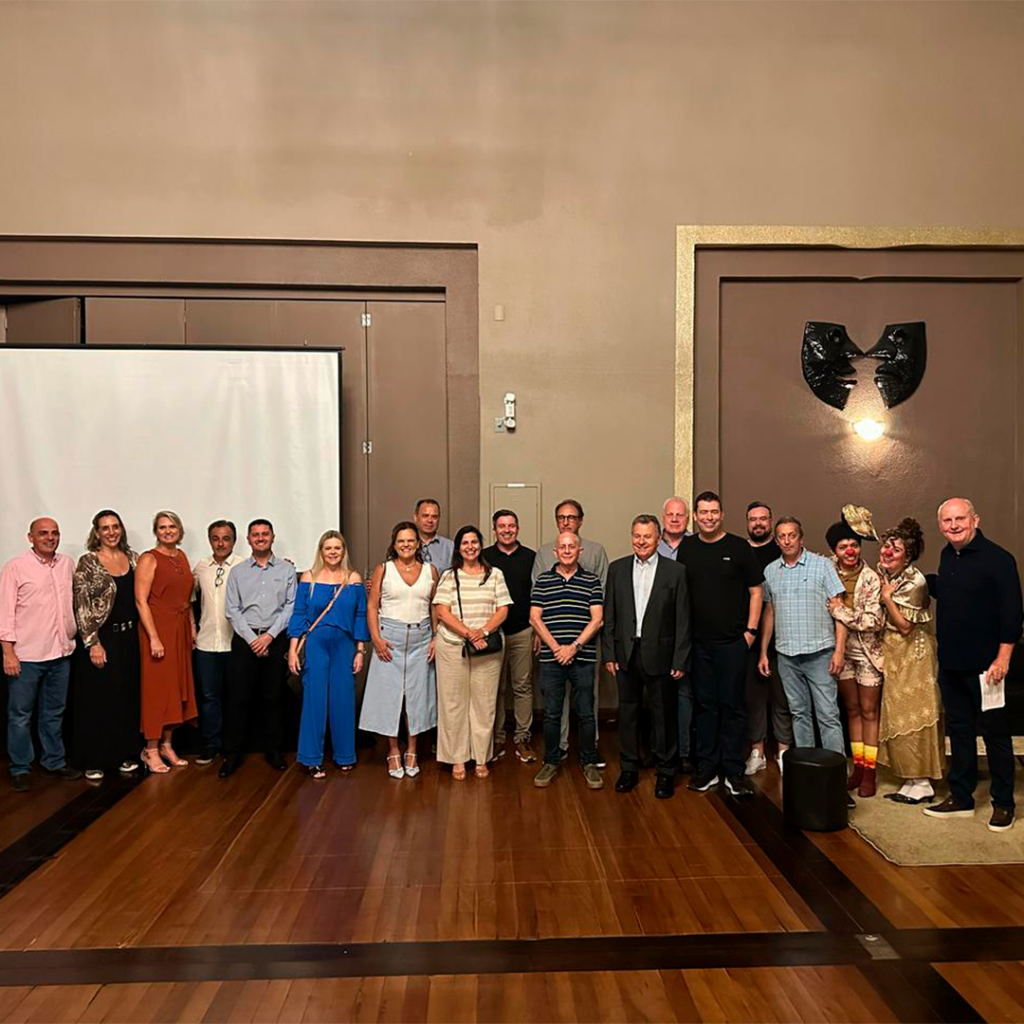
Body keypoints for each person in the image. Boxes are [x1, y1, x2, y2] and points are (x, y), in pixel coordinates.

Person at [924, 498, 1023, 832]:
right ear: (941, 525)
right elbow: (954, 594)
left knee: (995, 733)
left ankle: (1004, 803)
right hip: (951, 664)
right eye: (947, 520)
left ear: (975, 520)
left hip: (987, 667)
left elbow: (1012, 613)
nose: (954, 525)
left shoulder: (999, 559)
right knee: (959, 731)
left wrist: (1003, 657)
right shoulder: (947, 555)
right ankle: (961, 797)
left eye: (960, 519)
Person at [677, 492, 763, 797]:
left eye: (714, 512)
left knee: (733, 706)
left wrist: (750, 632)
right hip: (699, 645)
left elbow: (756, 591)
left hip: (733, 643)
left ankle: (733, 771)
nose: (709, 517)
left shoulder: (739, 548)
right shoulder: (687, 548)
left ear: (722, 514)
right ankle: (708, 768)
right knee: (705, 707)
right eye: (703, 512)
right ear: (695, 516)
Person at [604, 514, 691, 799]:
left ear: (658, 538)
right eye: (637, 536)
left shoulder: (675, 571)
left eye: (647, 536)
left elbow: (683, 619)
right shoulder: (617, 569)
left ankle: (666, 771)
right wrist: (610, 654)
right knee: (628, 713)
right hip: (626, 654)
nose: (641, 541)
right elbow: (610, 615)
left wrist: (679, 659)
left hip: (662, 655)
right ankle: (629, 768)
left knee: (663, 715)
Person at [1, 517, 81, 790]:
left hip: (60, 653)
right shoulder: (15, 568)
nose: (50, 537)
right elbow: (5, 612)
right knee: (20, 715)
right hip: (27, 656)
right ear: (30, 537)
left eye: (55, 533)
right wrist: (8, 653)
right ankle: (21, 767)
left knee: (54, 712)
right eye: (43, 533)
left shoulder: (67, 564)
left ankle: (54, 761)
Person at [759, 516, 846, 756]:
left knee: (828, 715)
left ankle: (833, 771)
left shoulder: (822, 565)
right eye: (782, 536)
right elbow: (769, 612)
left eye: (792, 535)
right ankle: (808, 770)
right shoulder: (770, 571)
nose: (787, 541)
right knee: (799, 713)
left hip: (820, 654)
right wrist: (764, 652)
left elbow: (839, 610)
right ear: (777, 541)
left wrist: (839, 651)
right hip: (787, 656)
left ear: (801, 538)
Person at [531, 499, 609, 761]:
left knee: (588, 699)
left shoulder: (596, 551)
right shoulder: (543, 553)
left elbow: (602, 599)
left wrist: (578, 644)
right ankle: (559, 747)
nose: (566, 522)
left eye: (571, 517)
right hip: (551, 642)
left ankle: (590, 748)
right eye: (561, 517)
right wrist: (546, 640)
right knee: (554, 702)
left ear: (580, 520)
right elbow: (537, 604)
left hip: (586, 641)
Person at [359, 522, 438, 779]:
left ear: (418, 543)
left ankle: (412, 749)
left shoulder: (430, 571)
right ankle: (393, 750)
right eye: (401, 541)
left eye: (410, 540)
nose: (406, 545)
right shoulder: (383, 569)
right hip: (389, 640)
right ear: (394, 544)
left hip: (421, 639)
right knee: (389, 697)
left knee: (416, 697)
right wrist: (376, 639)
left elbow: (434, 606)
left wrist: (435, 637)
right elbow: (372, 606)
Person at [433, 525, 512, 779]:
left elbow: (503, 609)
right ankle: (457, 758)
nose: (470, 547)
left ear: (480, 545)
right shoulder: (449, 576)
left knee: (484, 704)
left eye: (474, 542)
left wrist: (484, 632)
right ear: (458, 548)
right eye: (465, 543)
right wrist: (469, 633)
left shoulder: (495, 574)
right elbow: (441, 611)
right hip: (452, 646)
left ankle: (480, 758)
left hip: (487, 648)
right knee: (453, 704)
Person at [287, 531, 368, 778]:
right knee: (314, 700)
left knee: (343, 699)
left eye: (337, 548)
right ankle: (312, 758)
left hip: (344, 645)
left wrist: (360, 650)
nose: (333, 552)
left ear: (343, 551)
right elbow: (299, 614)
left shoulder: (353, 578)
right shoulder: (308, 577)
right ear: (321, 551)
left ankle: (345, 755)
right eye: (328, 548)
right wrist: (292, 650)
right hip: (316, 644)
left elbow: (360, 616)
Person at [876, 518, 944, 806]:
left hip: (914, 657)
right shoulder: (887, 573)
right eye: (886, 546)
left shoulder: (915, 581)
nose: (887, 552)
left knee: (915, 714)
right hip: (895, 655)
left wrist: (887, 598)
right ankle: (911, 778)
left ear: (908, 555)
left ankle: (923, 781)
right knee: (896, 714)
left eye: (896, 549)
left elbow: (905, 626)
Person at [221, 519, 297, 777]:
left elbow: (290, 606)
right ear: (248, 539)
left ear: (272, 537)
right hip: (245, 642)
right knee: (238, 699)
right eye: (255, 534)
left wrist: (269, 636)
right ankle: (232, 755)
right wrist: (253, 639)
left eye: (265, 534)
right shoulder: (237, 572)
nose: (261, 538)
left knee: (273, 698)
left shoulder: (287, 570)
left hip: (276, 641)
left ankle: (273, 751)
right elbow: (232, 609)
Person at [72, 510, 141, 780]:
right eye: (105, 528)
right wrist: (92, 643)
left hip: (130, 639)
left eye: (115, 526)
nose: (111, 532)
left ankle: (123, 755)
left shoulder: (134, 558)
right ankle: (94, 760)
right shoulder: (88, 562)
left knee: (125, 699)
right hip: (103, 640)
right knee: (99, 702)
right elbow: (82, 606)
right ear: (97, 533)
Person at [826, 506, 885, 798]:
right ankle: (858, 768)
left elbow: (873, 622)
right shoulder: (826, 570)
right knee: (850, 710)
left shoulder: (872, 578)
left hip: (868, 654)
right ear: (834, 551)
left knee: (869, 711)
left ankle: (870, 772)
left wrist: (840, 612)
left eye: (854, 545)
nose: (850, 551)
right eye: (843, 546)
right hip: (840, 652)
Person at [135, 511, 198, 774]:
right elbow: (141, 601)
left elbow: (186, 598)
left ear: (179, 530)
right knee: (158, 690)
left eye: (172, 526)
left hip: (179, 628)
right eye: (162, 527)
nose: (168, 531)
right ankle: (150, 749)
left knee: (176, 687)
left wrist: (192, 626)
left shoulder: (180, 556)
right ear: (156, 531)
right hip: (158, 629)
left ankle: (167, 745)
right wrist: (153, 638)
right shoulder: (149, 558)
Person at [484, 509, 537, 763]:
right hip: (493, 633)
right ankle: (495, 739)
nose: (507, 530)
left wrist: (537, 631)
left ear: (517, 528)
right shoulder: (484, 557)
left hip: (522, 631)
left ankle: (522, 738)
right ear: (494, 530)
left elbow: (538, 596)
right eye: (502, 526)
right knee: (495, 687)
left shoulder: (530, 557)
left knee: (522, 686)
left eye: (511, 525)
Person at [744, 502, 792, 776]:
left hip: (783, 639)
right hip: (752, 639)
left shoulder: (782, 550)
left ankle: (783, 750)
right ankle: (757, 751)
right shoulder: (741, 551)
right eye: (753, 519)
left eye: (763, 518)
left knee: (782, 697)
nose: (758, 523)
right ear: (747, 523)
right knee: (753, 698)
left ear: (771, 521)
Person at [192, 520, 245, 765]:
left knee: (235, 697)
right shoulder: (201, 567)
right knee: (209, 697)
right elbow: (186, 601)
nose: (221, 543)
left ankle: (233, 746)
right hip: (206, 643)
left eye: (226, 538)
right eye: (215, 538)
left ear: (234, 540)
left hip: (235, 643)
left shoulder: (244, 566)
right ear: (210, 540)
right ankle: (211, 744)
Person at [659, 496, 694, 772]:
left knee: (685, 694)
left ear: (687, 518)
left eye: (679, 515)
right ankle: (659, 749)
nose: (674, 519)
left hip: (687, 628)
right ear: (663, 518)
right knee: (656, 696)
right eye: (670, 514)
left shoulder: (696, 546)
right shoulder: (650, 545)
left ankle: (683, 751)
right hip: (656, 630)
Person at [415, 498, 454, 571]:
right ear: (416, 517)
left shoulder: (450, 547)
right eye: (425, 516)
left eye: (434, 517)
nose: (430, 520)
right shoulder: (406, 545)